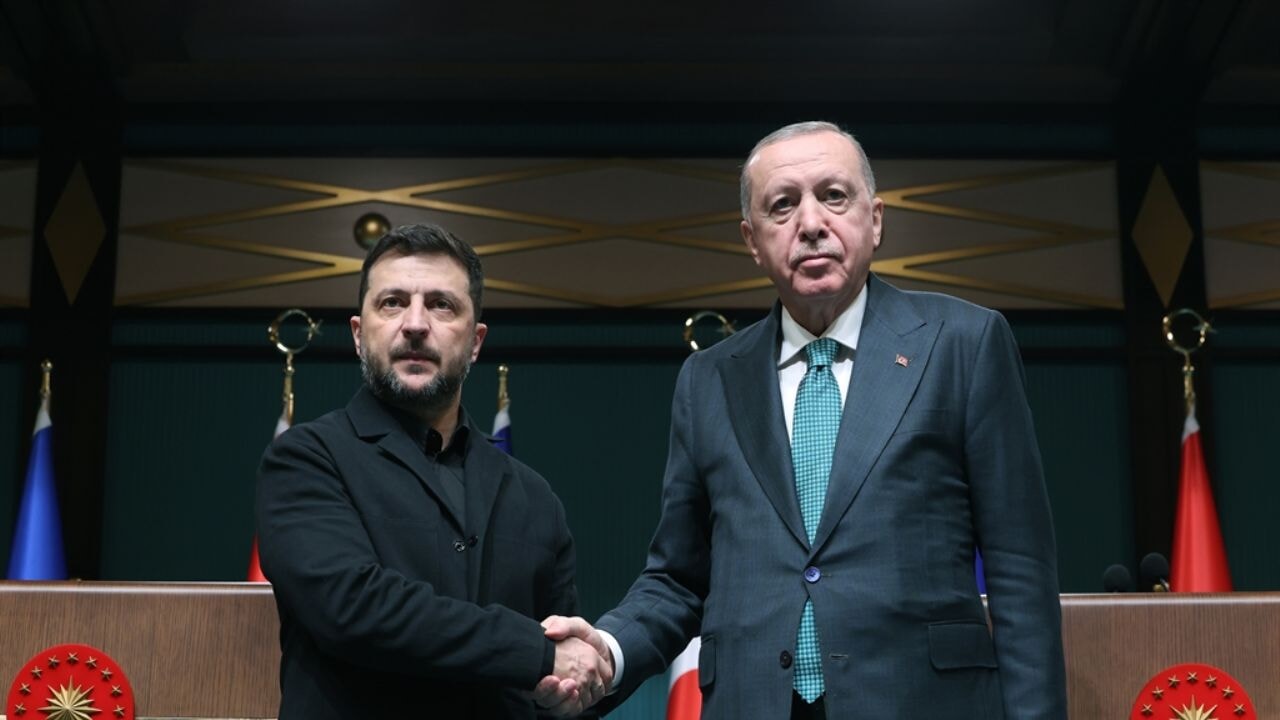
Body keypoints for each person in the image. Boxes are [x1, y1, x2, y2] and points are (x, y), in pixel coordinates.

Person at [542, 121, 1068, 718]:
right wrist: (607, 650)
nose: (811, 222)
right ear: (752, 239)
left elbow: (1019, 569)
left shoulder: (963, 344)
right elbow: (679, 578)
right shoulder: (708, 380)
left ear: (875, 220)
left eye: (834, 196)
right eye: (783, 205)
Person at [256, 223, 610, 718]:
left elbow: (567, 677)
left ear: (476, 341)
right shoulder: (306, 459)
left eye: (442, 305)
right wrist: (535, 653)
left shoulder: (535, 497)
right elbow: (353, 608)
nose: (416, 324)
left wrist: (566, 693)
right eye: (392, 302)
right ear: (358, 334)